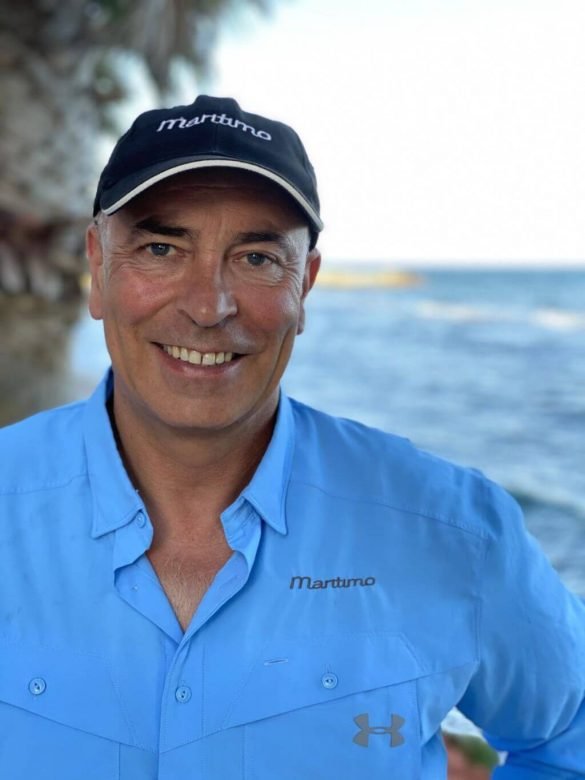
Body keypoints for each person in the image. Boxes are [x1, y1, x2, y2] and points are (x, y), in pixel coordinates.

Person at [0, 95, 583, 780]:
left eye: (256, 258)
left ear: (304, 285)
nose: (208, 305)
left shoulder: (452, 528)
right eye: (161, 249)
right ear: (97, 266)